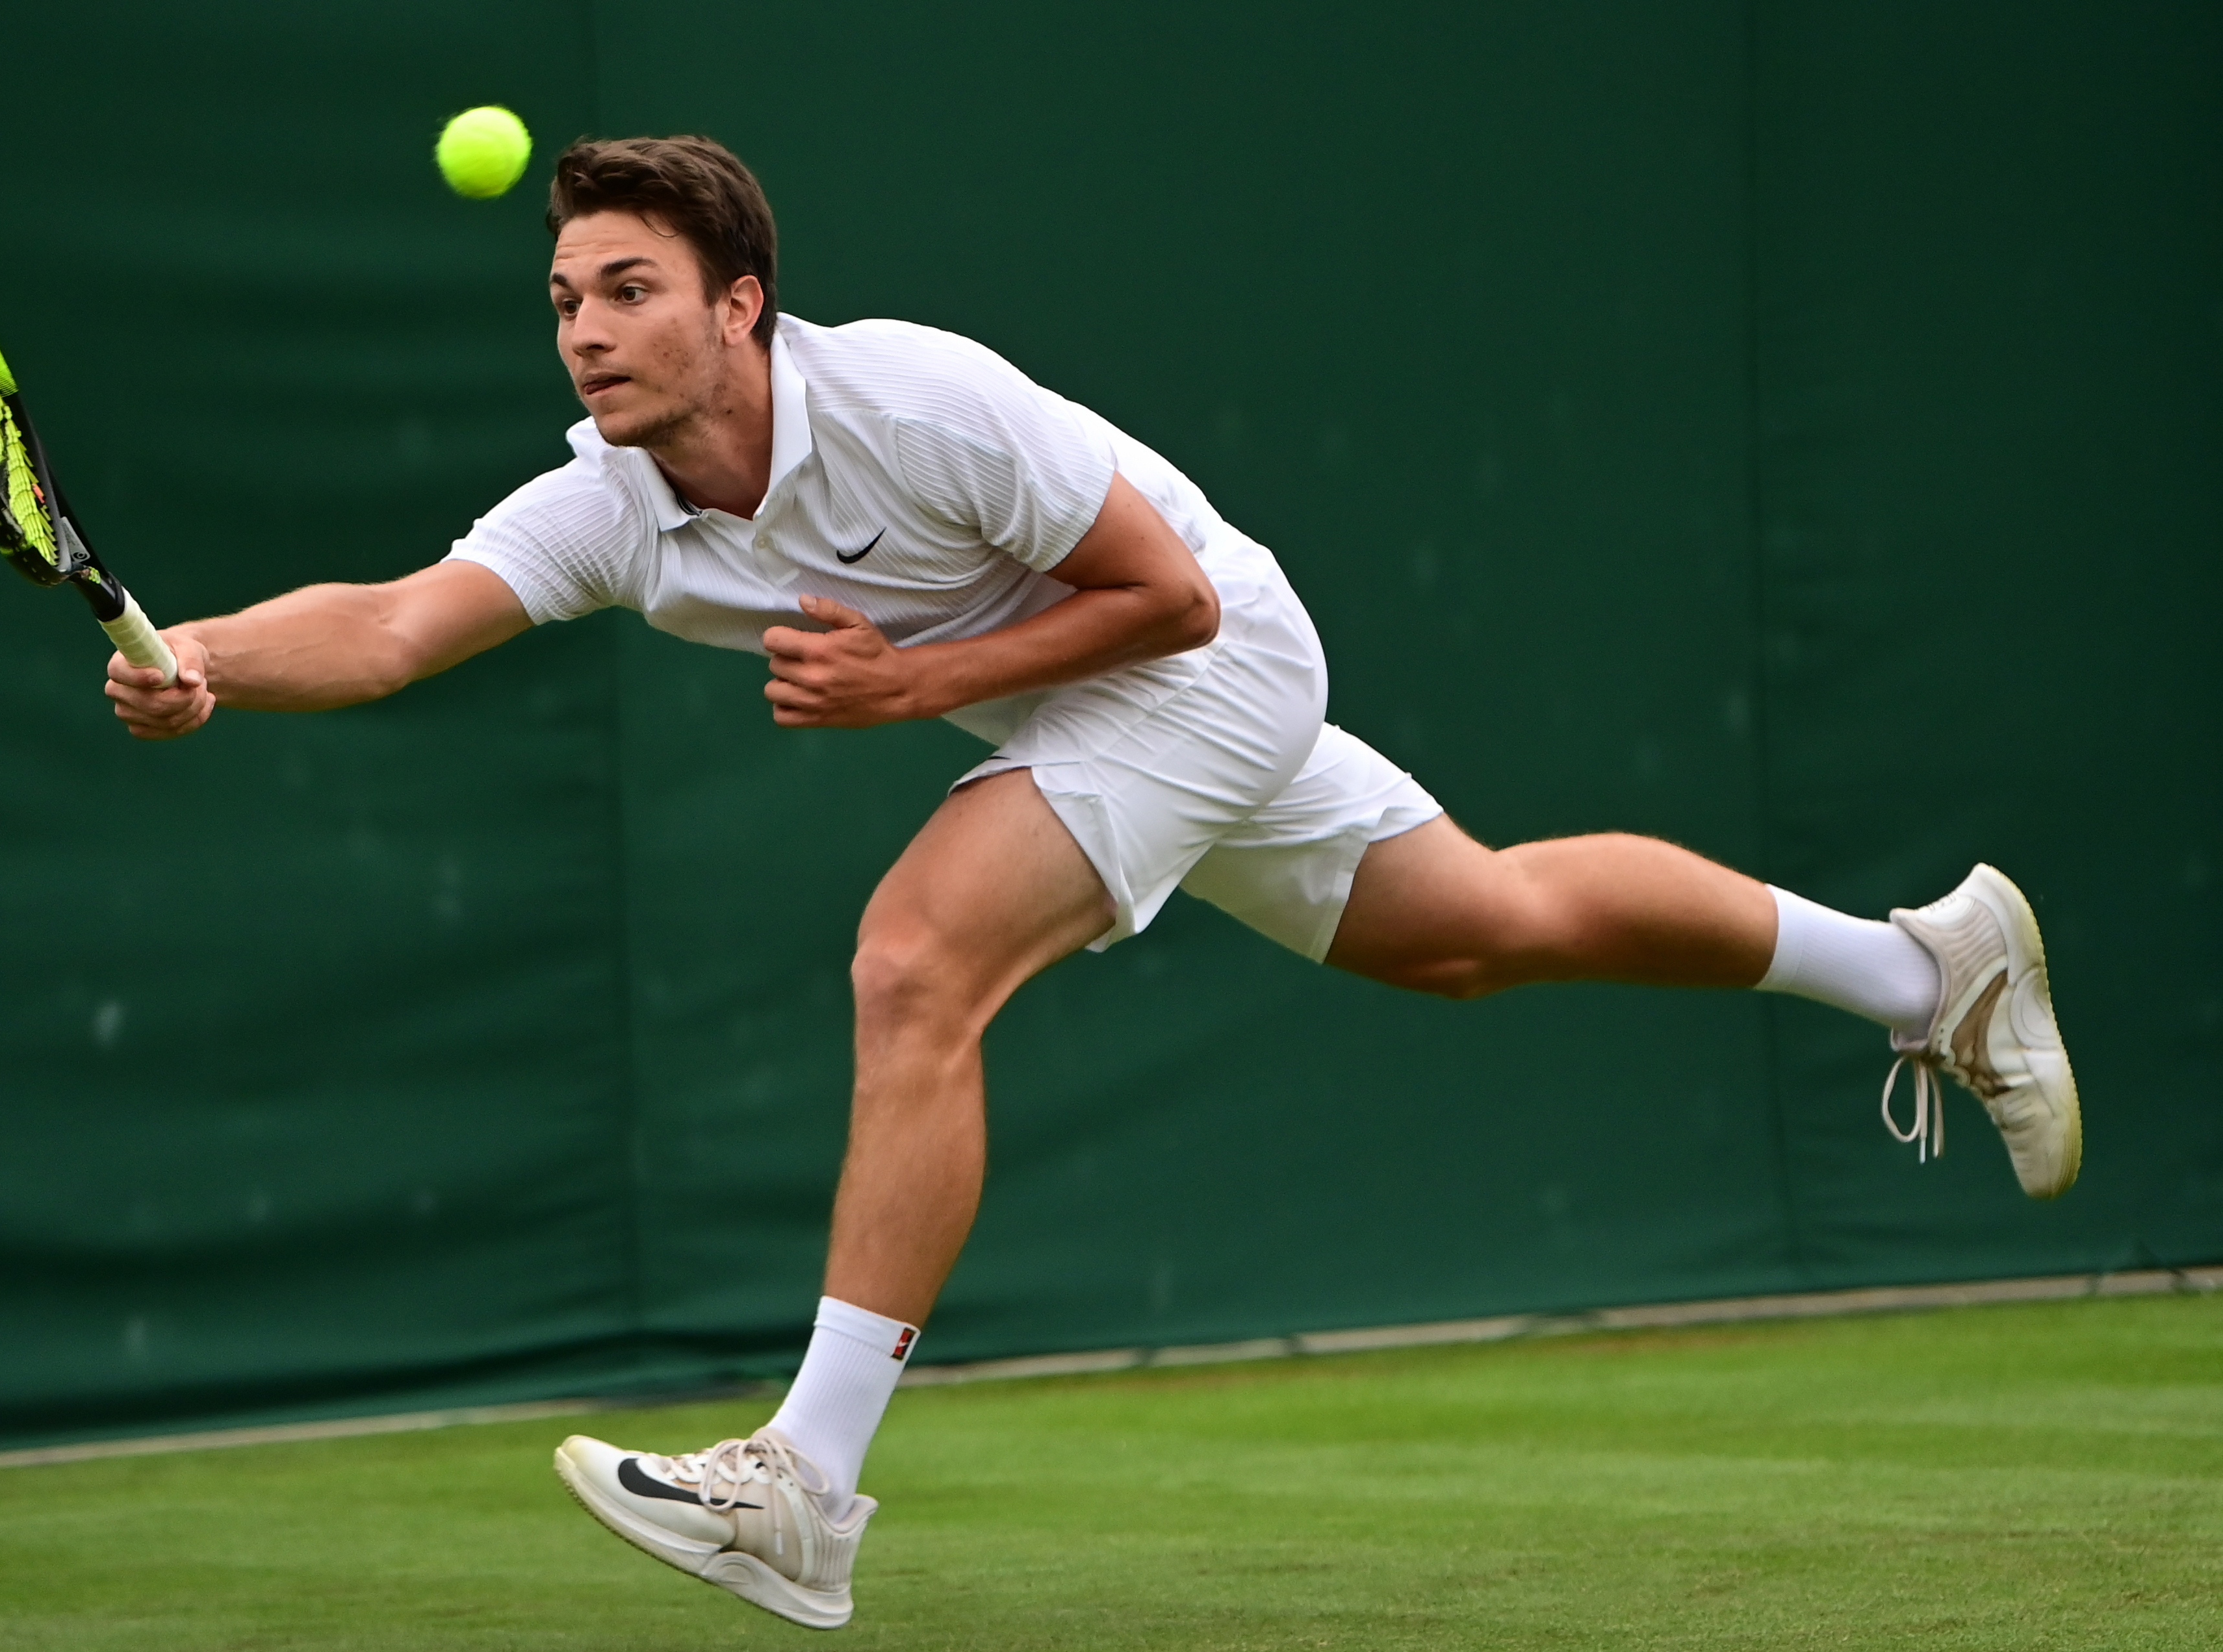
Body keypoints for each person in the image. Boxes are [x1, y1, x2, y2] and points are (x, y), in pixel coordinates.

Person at [104, 135, 2081, 1630]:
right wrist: (198, 653)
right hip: (1082, 710)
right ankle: (1926, 970)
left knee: (915, 960)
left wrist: (917, 684)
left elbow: (1175, 595)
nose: (590, 330)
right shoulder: (609, 505)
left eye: (628, 288)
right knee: (1483, 931)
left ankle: (807, 1482)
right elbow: (385, 623)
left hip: (1209, 656)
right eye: (563, 301)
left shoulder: (923, 402)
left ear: (740, 308)